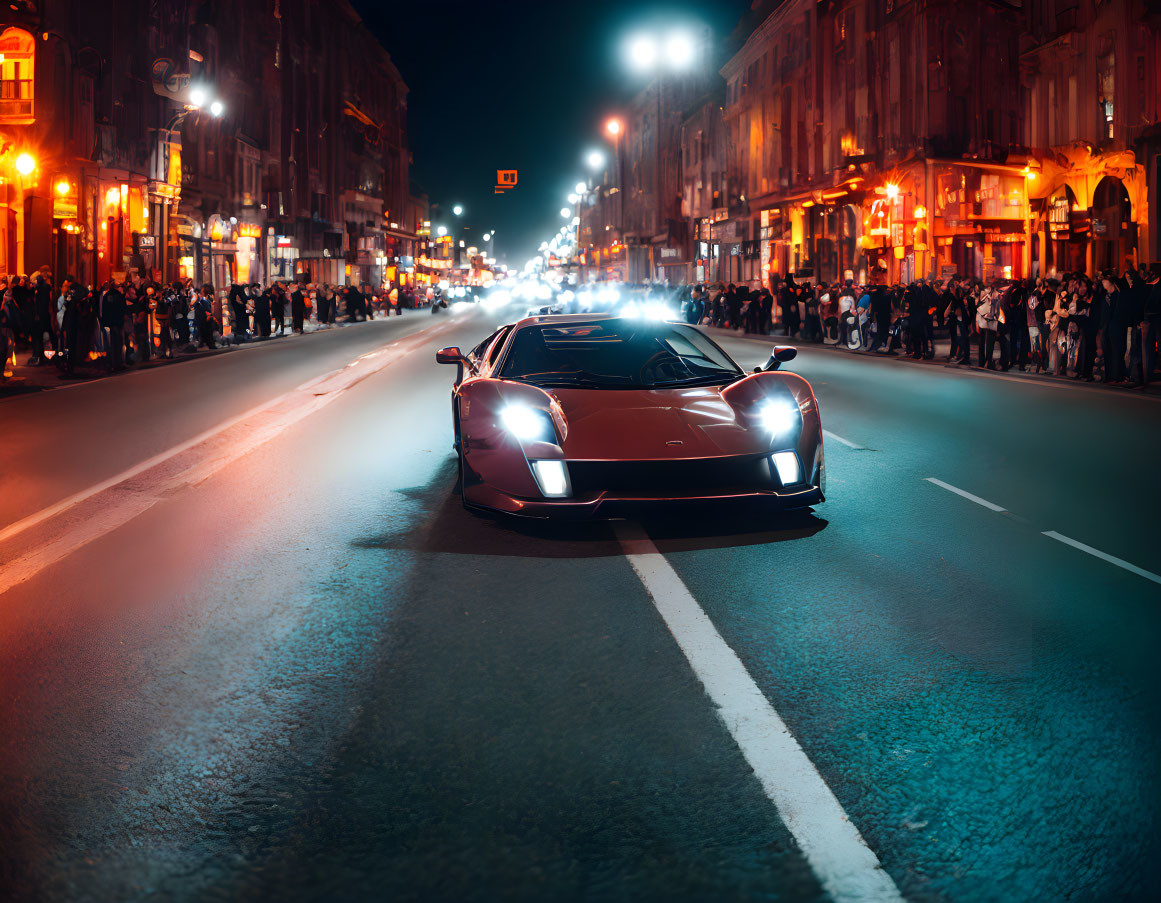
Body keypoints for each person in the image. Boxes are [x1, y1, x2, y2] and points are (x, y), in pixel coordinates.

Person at [98, 280, 127, 371]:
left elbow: (104, 310)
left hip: (111, 323)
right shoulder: (118, 295)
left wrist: (105, 322)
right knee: (118, 343)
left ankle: (113, 363)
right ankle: (118, 363)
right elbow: (123, 309)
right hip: (117, 323)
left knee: (112, 344)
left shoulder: (107, 296)